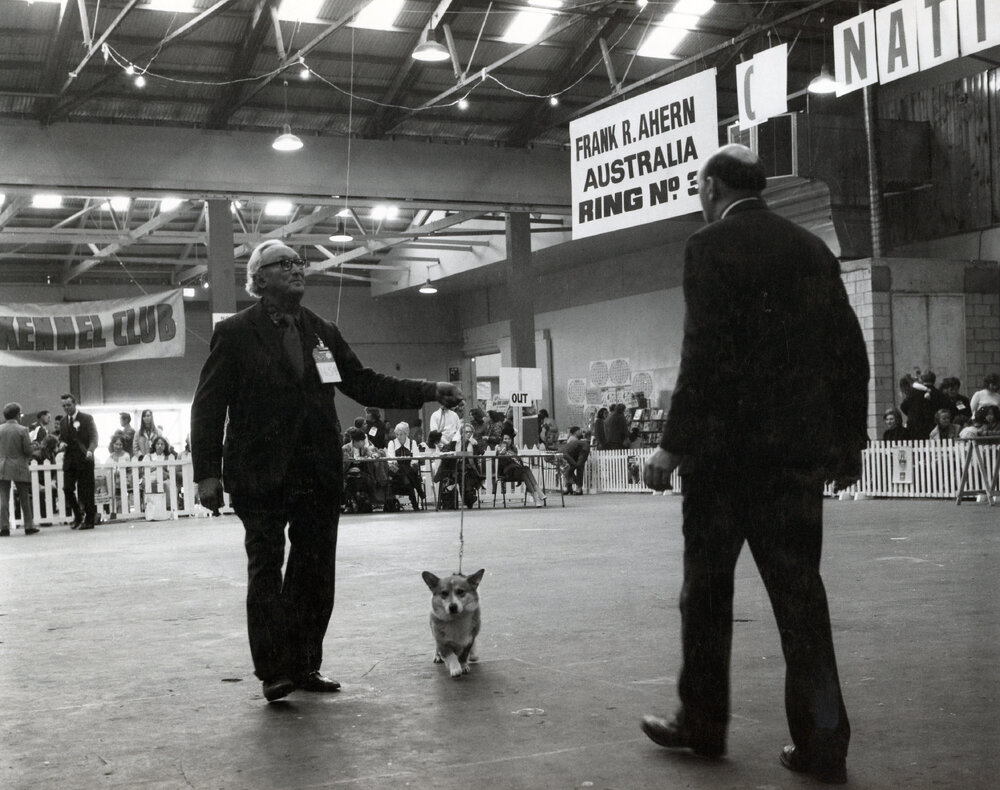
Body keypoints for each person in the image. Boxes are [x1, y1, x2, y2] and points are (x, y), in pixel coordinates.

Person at [641, 145, 868, 786]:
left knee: (706, 595)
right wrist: (848, 442)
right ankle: (824, 744)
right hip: (793, 462)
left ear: (712, 187)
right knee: (802, 601)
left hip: (721, 463)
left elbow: (704, 352)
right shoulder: (812, 249)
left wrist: (672, 444)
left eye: (697, 187)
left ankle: (703, 725)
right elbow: (848, 350)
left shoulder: (707, 246)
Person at [190, 239, 463, 703]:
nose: (297, 268)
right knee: (266, 569)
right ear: (260, 278)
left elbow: (363, 383)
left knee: (314, 573)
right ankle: (273, 670)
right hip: (259, 473)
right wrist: (206, 473)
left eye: (299, 262)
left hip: (316, 472)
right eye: (284, 264)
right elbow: (209, 405)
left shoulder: (322, 332)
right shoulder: (235, 333)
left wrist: (428, 389)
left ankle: (304, 665)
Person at [59, 393, 99, 530]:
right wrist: (61, 443)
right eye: (64, 406)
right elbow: (62, 438)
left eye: (69, 405)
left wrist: (90, 450)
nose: (66, 408)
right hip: (69, 460)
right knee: (67, 488)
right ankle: (78, 515)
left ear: (75, 404)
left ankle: (89, 520)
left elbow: (94, 437)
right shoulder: (63, 422)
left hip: (84, 459)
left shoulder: (87, 418)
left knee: (86, 490)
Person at [1, 403, 37, 537]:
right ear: (17, 415)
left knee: (3, 499)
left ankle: (4, 527)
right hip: (19, 465)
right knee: (24, 498)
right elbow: (28, 451)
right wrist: (33, 447)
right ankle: (28, 526)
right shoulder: (22, 430)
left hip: (3, 465)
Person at [494, 433, 547, 506]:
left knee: (525, 470)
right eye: (505, 439)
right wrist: (502, 451)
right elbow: (502, 463)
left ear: (511, 440)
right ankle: (538, 493)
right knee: (525, 470)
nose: (507, 440)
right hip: (507, 473)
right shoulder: (500, 449)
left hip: (517, 471)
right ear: (502, 440)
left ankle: (536, 498)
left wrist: (516, 457)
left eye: (509, 439)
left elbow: (517, 462)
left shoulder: (514, 449)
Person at [385, 421, 423, 511]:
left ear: (406, 434)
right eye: (397, 434)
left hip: (410, 471)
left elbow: (415, 460)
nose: (398, 437)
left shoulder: (412, 443)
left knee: (406, 471)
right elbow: (391, 461)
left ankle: (415, 498)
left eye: (401, 434)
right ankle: (418, 496)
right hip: (395, 471)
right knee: (403, 469)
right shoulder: (392, 443)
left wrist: (409, 466)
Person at [560, 425, 589, 495]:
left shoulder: (572, 439)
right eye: (579, 430)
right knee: (575, 469)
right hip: (576, 454)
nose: (581, 432)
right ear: (576, 432)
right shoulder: (573, 439)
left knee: (570, 469)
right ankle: (577, 486)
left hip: (575, 454)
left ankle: (569, 487)